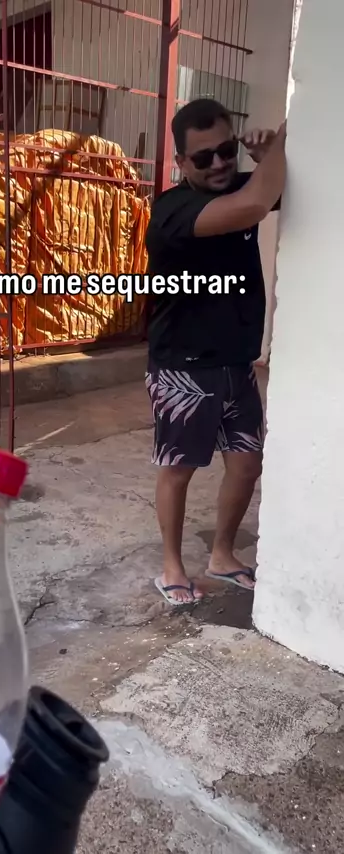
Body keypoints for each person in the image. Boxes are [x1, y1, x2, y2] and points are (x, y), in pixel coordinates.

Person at [145, 97, 286, 605]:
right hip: (183, 368)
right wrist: (284, 139)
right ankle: (171, 566)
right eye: (204, 158)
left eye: (228, 150)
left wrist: (266, 156)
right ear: (182, 163)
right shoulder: (173, 211)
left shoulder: (238, 185)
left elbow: (278, 188)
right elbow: (255, 204)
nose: (220, 163)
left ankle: (222, 555)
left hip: (236, 363)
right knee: (178, 469)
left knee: (247, 465)